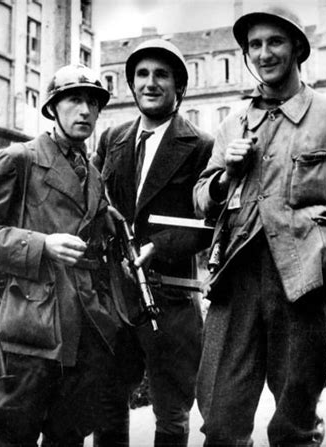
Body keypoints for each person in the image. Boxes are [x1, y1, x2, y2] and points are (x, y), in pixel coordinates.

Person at [193, 5, 326, 446]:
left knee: (295, 424)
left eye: (274, 42)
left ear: (297, 47)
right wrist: (224, 176)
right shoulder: (231, 124)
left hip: (302, 283)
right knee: (219, 419)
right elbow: (202, 199)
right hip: (235, 279)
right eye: (254, 45)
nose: (263, 53)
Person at [0, 64, 120, 446]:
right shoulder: (19, 159)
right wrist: (41, 244)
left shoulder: (93, 175)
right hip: (25, 332)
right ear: (52, 108)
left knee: (68, 437)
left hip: (80, 332)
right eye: (75, 100)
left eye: (93, 103)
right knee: (15, 436)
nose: (85, 111)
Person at [92, 39, 213, 447]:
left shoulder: (200, 146)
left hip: (172, 300)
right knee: (108, 404)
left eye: (161, 75)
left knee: (172, 415)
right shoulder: (112, 139)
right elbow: (93, 198)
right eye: (142, 75)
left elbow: (209, 225)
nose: (150, 83)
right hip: (114, 298)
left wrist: (159, 247)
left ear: (179, 87)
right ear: (131, 84)